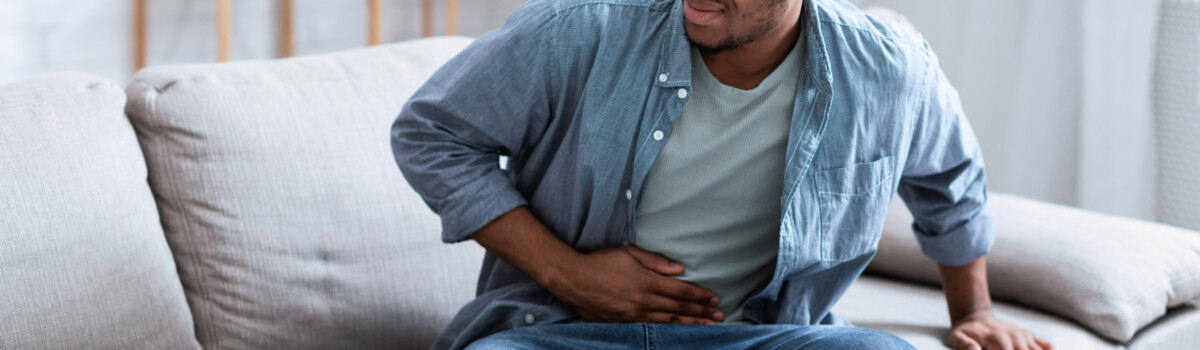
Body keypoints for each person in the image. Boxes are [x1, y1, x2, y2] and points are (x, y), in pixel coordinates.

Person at [392, 0, 1054, 349]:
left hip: (767, 337)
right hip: (559, 331)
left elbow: (950, 181)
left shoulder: (889, 68)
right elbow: (430, 134)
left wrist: (978, 311)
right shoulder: (579, 29)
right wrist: (569, 273)